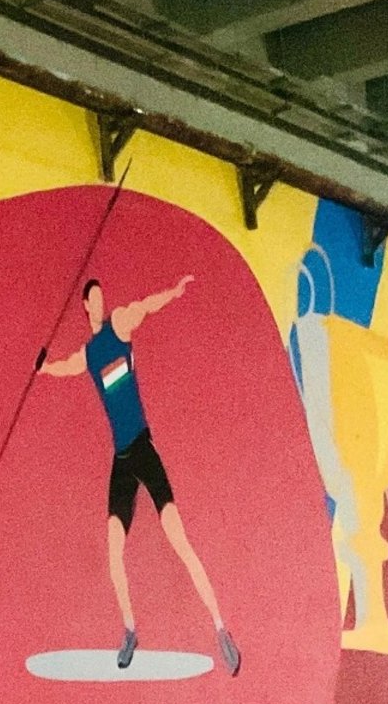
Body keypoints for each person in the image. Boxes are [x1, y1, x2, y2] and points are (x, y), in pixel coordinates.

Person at [37, 276, 240, 674]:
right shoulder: (89, 354)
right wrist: (43, 368)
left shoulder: (120, 325)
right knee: (114, 551)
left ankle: (220, 628)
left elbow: (148, 303)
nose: (99, 305)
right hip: (122, 459)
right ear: (84, 308)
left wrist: (175, 290)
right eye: (92, 302)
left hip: (144, 450)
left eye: (101, 298)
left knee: (179, 539)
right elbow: (62, 368)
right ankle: (130, 629)